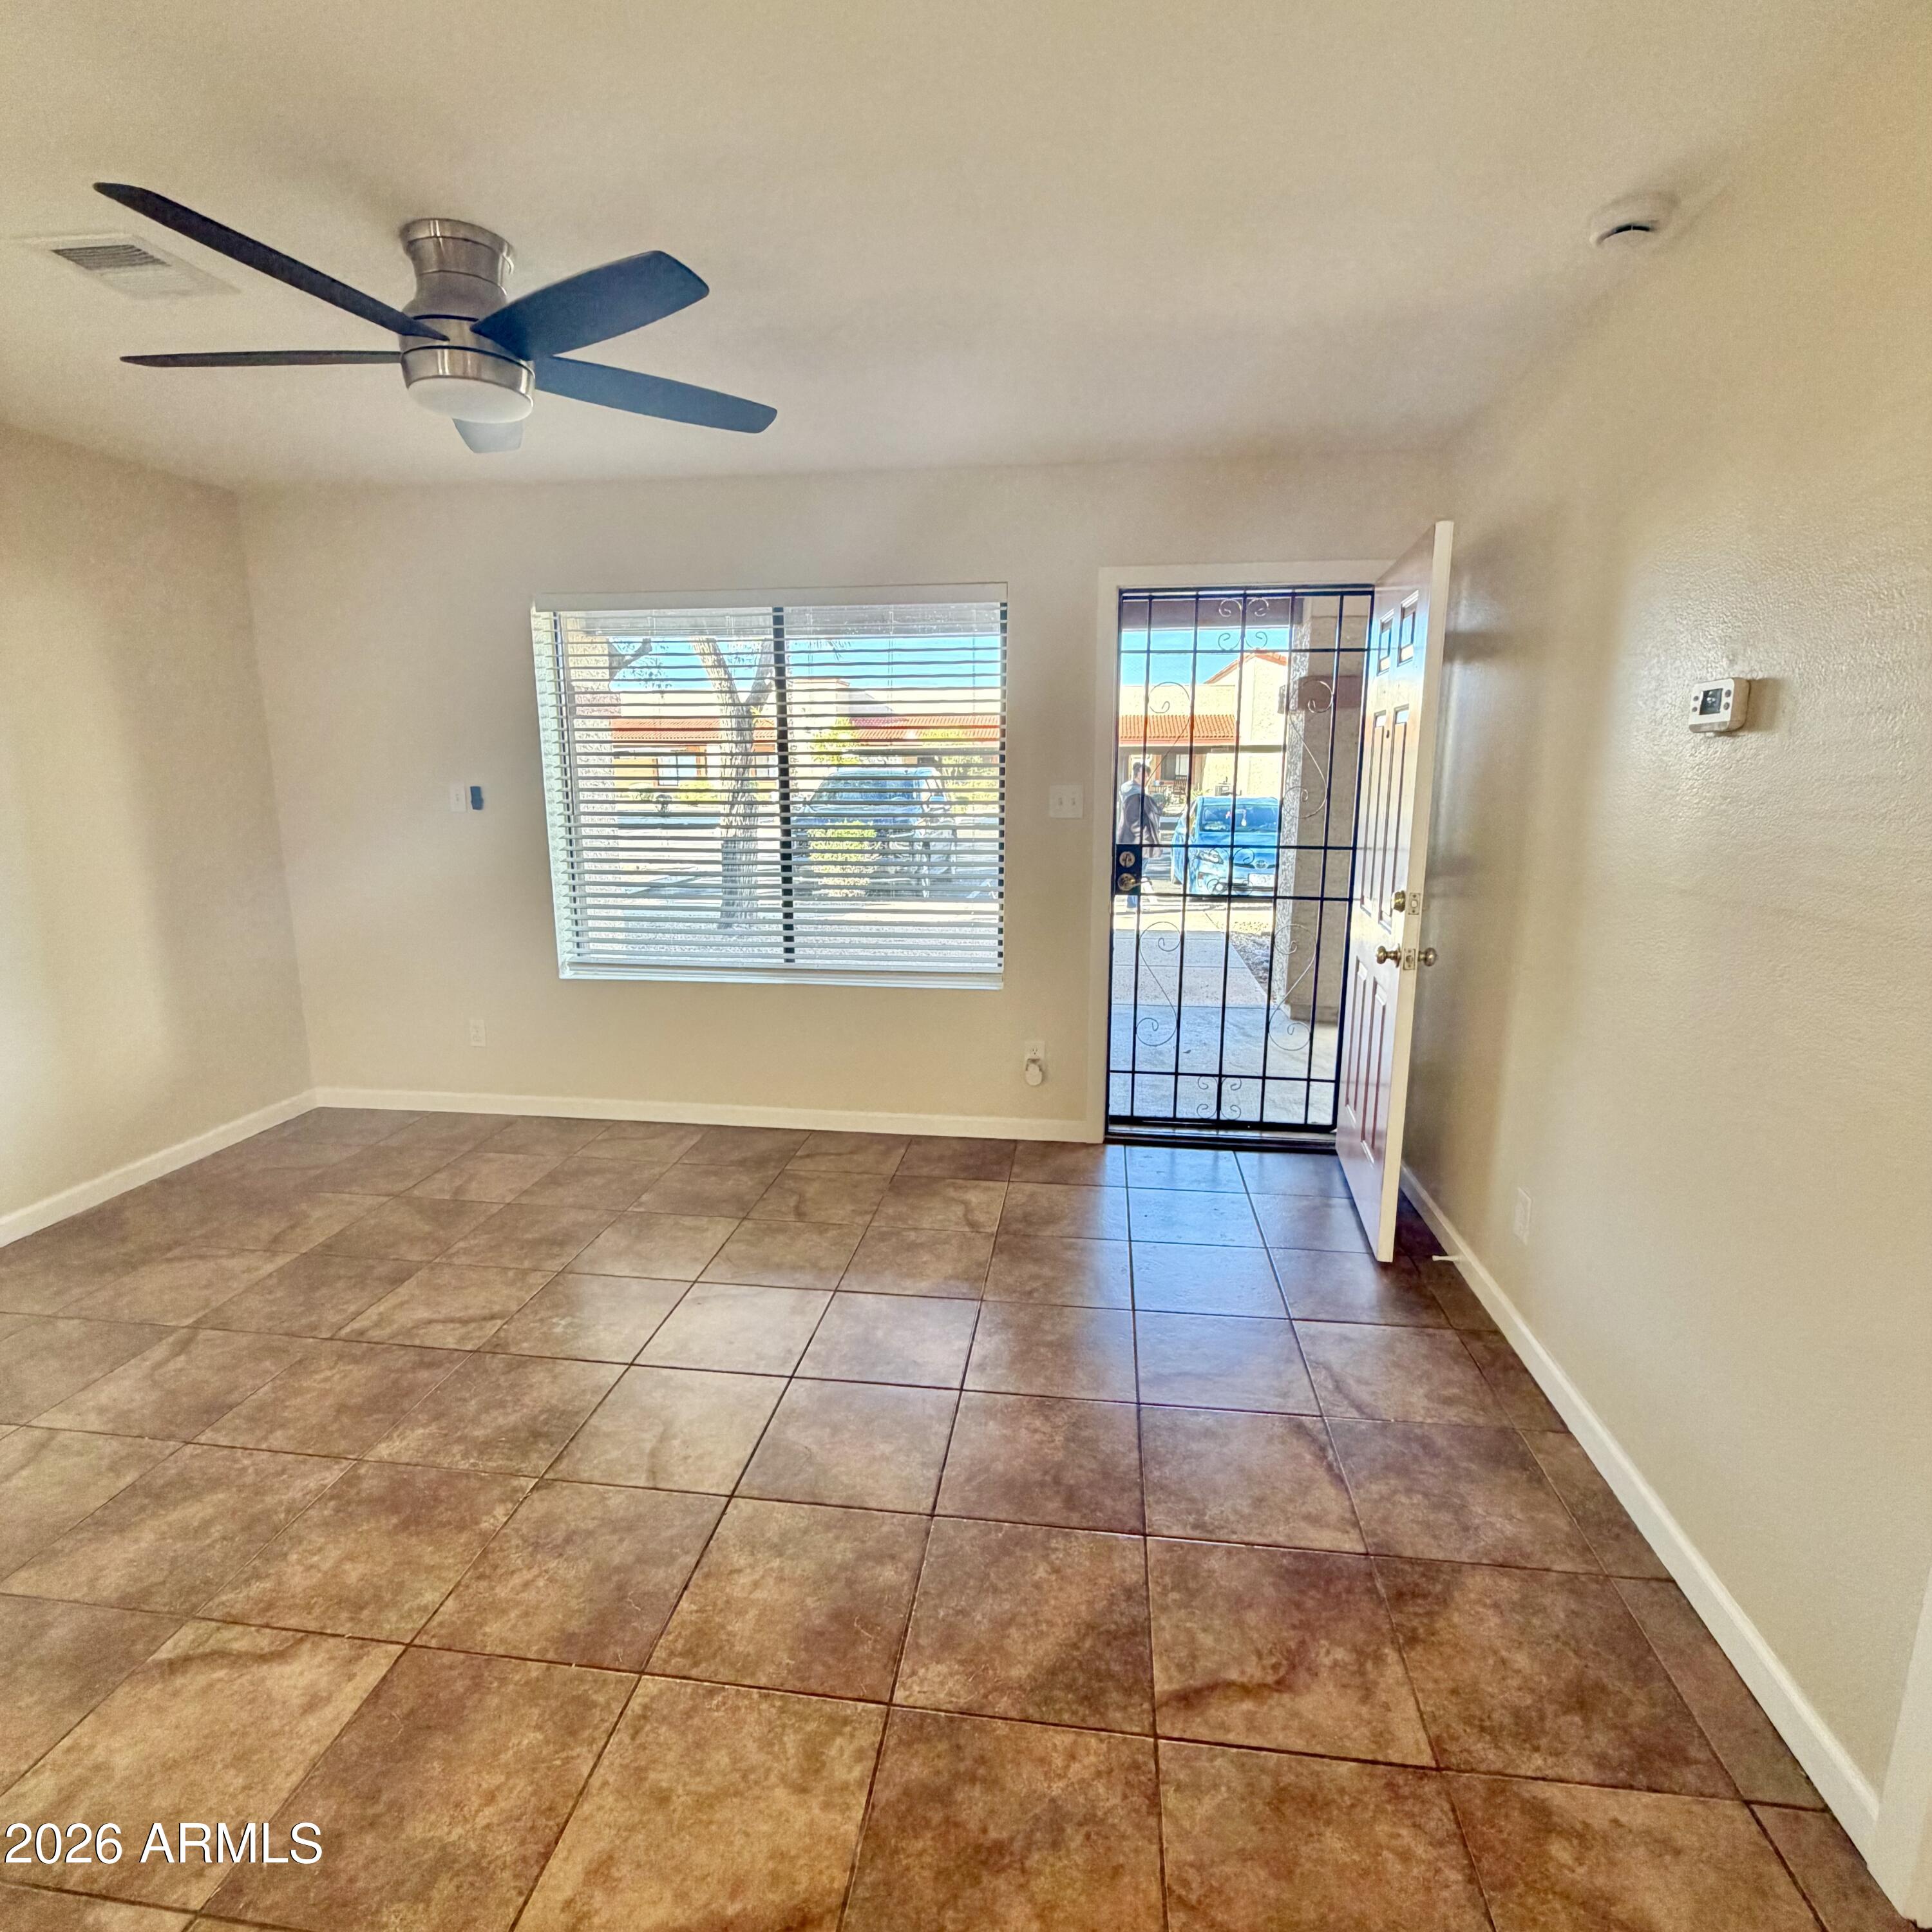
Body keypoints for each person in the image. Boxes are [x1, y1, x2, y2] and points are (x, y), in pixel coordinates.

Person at [1117, 761, 1164, 849]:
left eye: (1147, 777)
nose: (1146, 779)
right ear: (1138, 775)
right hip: (1135, 841)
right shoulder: (1136, 794)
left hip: (1127, 838)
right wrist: (1146, 837)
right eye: (1145, 776)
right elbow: (1134, 820)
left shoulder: (1127, 788)